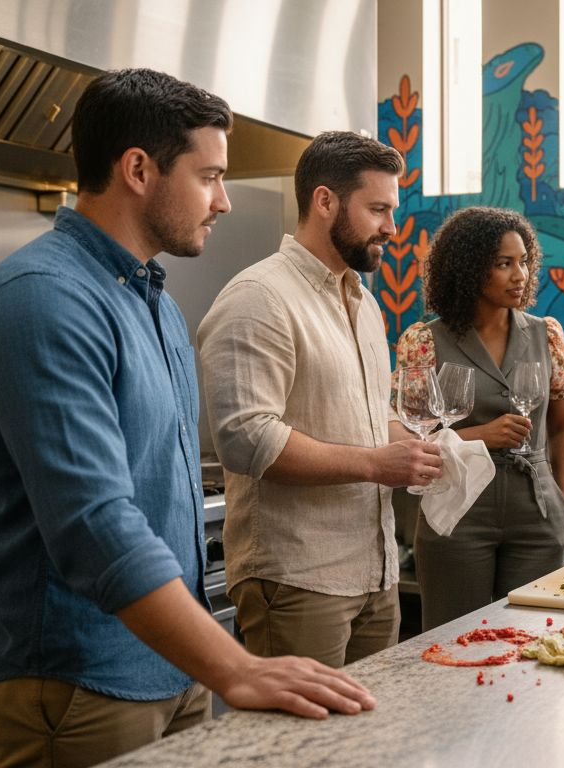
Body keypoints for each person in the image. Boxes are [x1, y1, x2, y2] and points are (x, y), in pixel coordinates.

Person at [0, 69, 373, 768]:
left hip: (168, 668)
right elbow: (95, 523)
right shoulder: (46, 298)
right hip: (79, 678)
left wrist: (208, 667)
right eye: (210, 176)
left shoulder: (146, 296)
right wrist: (234, 666)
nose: (223, 200)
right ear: (139, 170)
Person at [197, 132, 441, 667]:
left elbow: (373, 422)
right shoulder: (259, 298)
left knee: (369, 746)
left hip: (375, 574)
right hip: (297, 579)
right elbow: (246, 440)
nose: (391, 228)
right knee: (303, 750)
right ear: (325, 200)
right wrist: (378, 464)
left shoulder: (365, 304)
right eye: (377, 209)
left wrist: (422, 448)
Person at [394, 207, 564, 630]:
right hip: (457, 511)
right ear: (470, 268)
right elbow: (408, 437)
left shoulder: (546, 334)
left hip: (538, 511)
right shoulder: (425, 342)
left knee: (533, 641)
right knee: (453, 637)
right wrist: (482, 436)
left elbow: (563, 427)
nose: (521, 275)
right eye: (504, 264)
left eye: (524, 261)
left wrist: (563, 498)